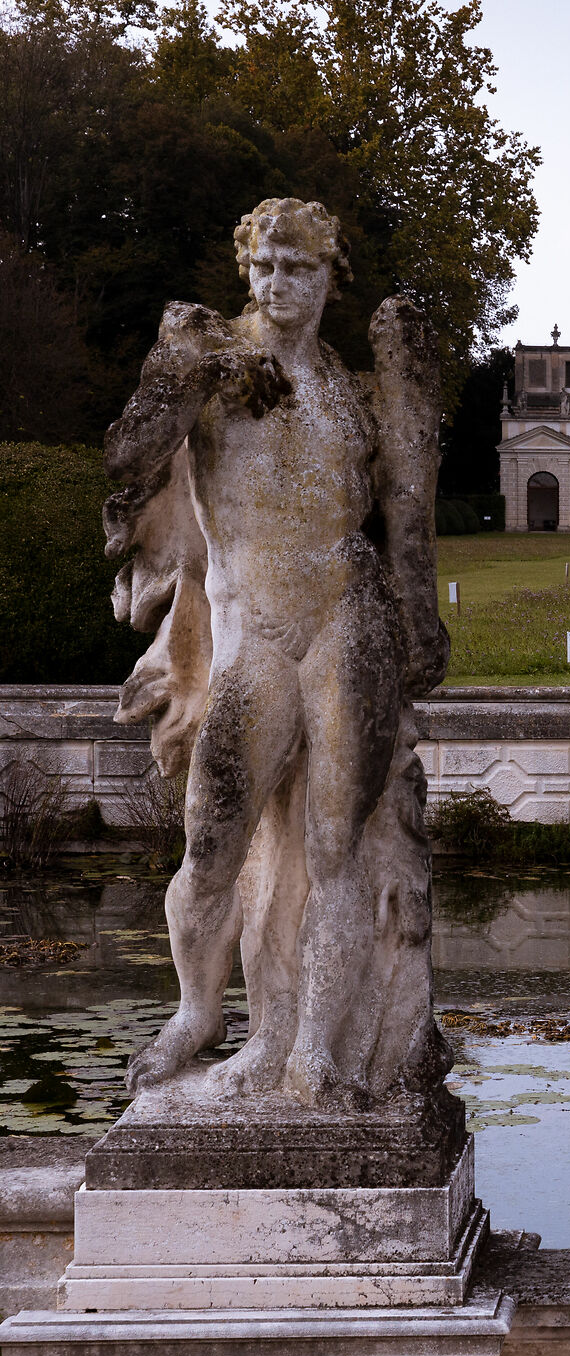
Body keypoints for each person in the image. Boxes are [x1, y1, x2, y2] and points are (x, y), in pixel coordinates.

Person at [105, 199, 446, 1104]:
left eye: (295, 268)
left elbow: (402, 512)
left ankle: (311, 1052)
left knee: (336, 848)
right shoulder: (220, 367)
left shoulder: (347, 389)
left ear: (329, 274)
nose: (276, 284)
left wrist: (420, 617)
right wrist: (184, 363)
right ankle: (197, 1011)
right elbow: (129, 453)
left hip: (347, 617)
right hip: (257, 632)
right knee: (210, 848)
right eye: (261, 268)